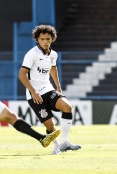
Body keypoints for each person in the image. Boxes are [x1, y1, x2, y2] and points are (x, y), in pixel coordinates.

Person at [19, 25, 81, 155]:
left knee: (67, 107)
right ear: (38, 39)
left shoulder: (53, 54)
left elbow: (53, 68)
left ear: (52, 38)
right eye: (42, 39)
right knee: (49, 126)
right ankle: (57, 147)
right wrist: (33, 91)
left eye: (48, 39)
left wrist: (58, 86)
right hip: (34, 95)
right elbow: (22, 74)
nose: (45, 42)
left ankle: (65, 142)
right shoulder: (32, 54)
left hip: (48, 89)